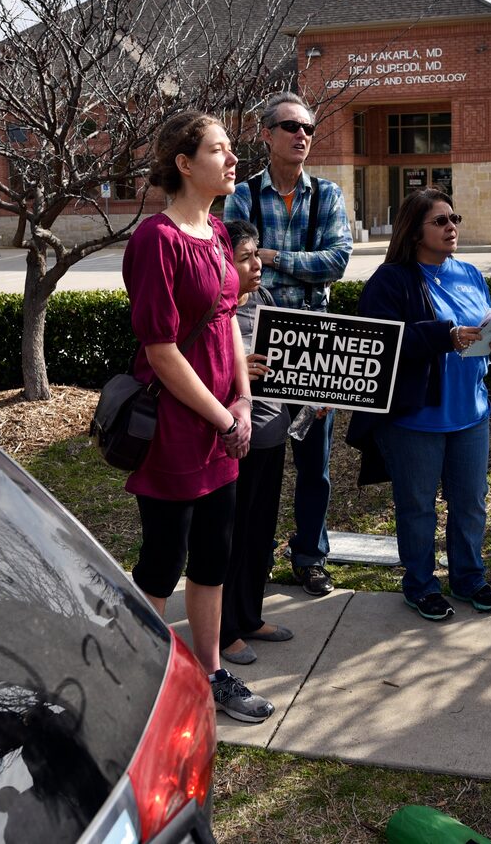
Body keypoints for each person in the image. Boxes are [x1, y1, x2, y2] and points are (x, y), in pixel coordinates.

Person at [121, 110, 273, 723]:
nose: (233, 160)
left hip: (221, 425)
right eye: (219, 150)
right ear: (185, 165)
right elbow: (160, 351)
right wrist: (220, 416)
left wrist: (241, 400)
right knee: (163, 560)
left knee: (214, 554)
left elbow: (227, 325)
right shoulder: (155, 240)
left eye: (231, 149)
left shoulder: (215, 233)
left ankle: (211, 671)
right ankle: (139, 672)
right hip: (178, 432)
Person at [345, 188, 491, 621]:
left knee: (471, 501)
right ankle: (420, 584)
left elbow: (479, 324)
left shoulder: (469, 273)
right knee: (418, 506)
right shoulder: (390, 280)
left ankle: (469, 578)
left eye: (453, 218)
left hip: (470, 411)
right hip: (415, 417)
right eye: (440, 221)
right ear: (414, 230)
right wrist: (446, 336)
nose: (451, 227)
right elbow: (378, 342)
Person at [222, 92, 352, 597]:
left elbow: (338, 261)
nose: (302, 136)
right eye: (292, 127)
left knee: (315, 462)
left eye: (309, 129)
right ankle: (246, 555)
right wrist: (301, 261)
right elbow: (235, 263)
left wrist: (273, 257)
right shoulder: (244, 196)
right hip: (261, 341)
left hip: (317, 343)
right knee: (257, 456)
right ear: (266, 135)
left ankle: (309, 555)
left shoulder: (328, 195)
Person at [218, 219, 294, 666]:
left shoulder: (264, 300)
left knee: (261, 533)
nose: (257, 265)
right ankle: (225, 630)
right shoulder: (215, 311)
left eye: (257, 255)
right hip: (234, 442)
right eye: (245, 257)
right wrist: (238, 367)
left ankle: (250, 615)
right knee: (232, 537)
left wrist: (315, 391)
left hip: (272, 435)